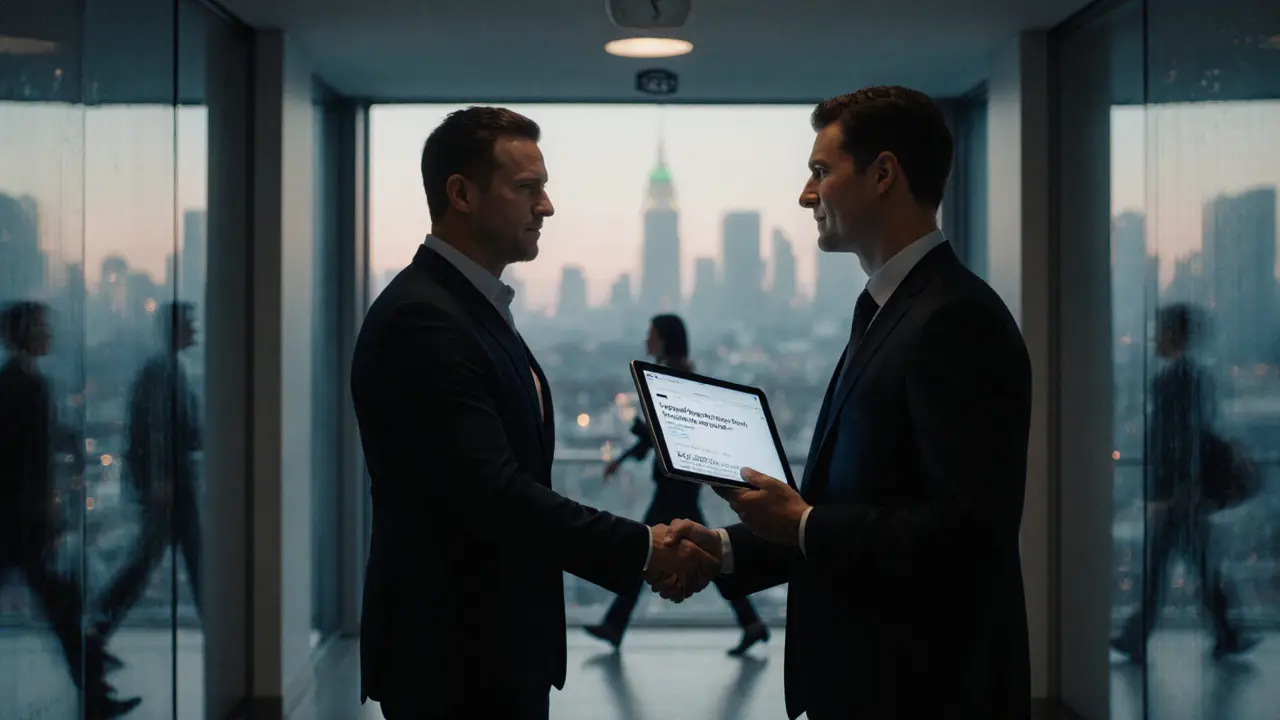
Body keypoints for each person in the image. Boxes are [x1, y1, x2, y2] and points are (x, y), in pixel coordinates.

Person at [657, 87, 1033, 719]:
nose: (807, 195)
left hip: (923, 691)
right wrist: (724, 549)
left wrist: (800, 523)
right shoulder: (891, 310)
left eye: (821, 172)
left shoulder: (954, 319)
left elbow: (966, 533)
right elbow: (853, 512)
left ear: (884, 174)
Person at [349, 106, 717, 720]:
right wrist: (644, 549)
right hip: (454, 655)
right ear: (461, 194)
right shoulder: (427, 319)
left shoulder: (468, 305)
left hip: (488, 646)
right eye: (527, 189)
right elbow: (492, 495)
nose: (545, 206)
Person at [585, 314, 768, 655]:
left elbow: (666, 434)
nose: (646, 341)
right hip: (680, 485)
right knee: (700, 553)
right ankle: (750, 622)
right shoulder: (679, 373)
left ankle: (615, 624)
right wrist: (626, 456)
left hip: (674, 486)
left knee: (649, 551)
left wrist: (630, 449)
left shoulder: (669, 377)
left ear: (665, 338)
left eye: (650, 334)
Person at [0, 301, 141, 718]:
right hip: (19, 519)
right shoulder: (23, 385)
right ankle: (95, 677)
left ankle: (95, 683)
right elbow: (27, 457)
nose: (50, 333)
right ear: (24, 333)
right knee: (64, 605)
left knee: (64, 604)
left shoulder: (20, 382)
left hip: (19, 518)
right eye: (42, 326)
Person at [1111, 304, 1258, 662]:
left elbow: (1173, 441)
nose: (1154, 338)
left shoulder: (1171, 382)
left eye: (1160, 330)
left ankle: (1141, 636)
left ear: (1174, 335)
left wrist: (1166, 492)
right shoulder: (1194, 379)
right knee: (1193, 566)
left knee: (1167, 567)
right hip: (1186, 493)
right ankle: (1224, 634)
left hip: (1178, 495)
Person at [97, 302, 204, 639]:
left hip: (175, 485)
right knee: (151, 561)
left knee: (164, 560)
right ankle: (97, 623)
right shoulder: (162, 370)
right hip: (172, 486)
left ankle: (98, 624)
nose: (196, 329)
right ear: (175, 328)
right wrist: (161, 480)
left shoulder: (172, 368)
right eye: (190, 323)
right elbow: (157, 430)